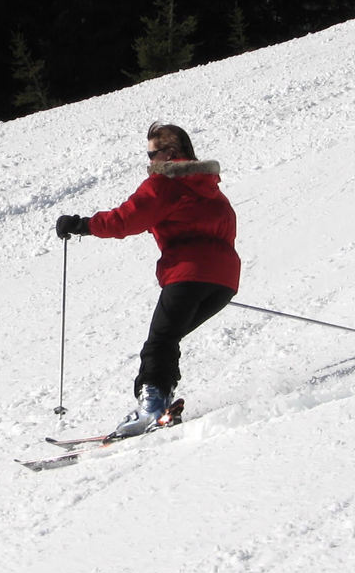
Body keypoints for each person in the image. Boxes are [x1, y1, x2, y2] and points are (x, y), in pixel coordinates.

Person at [56, 122, 240, 435]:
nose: (150, 160)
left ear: (170, 152)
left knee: (159, 343)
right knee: (167, 339)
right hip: (223, 282)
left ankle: (153, 406)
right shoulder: (208, 186)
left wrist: (82, 225)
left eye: (152, 153)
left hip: (188, 274)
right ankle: (161, 402)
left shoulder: (165, 182)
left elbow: (127, 218)